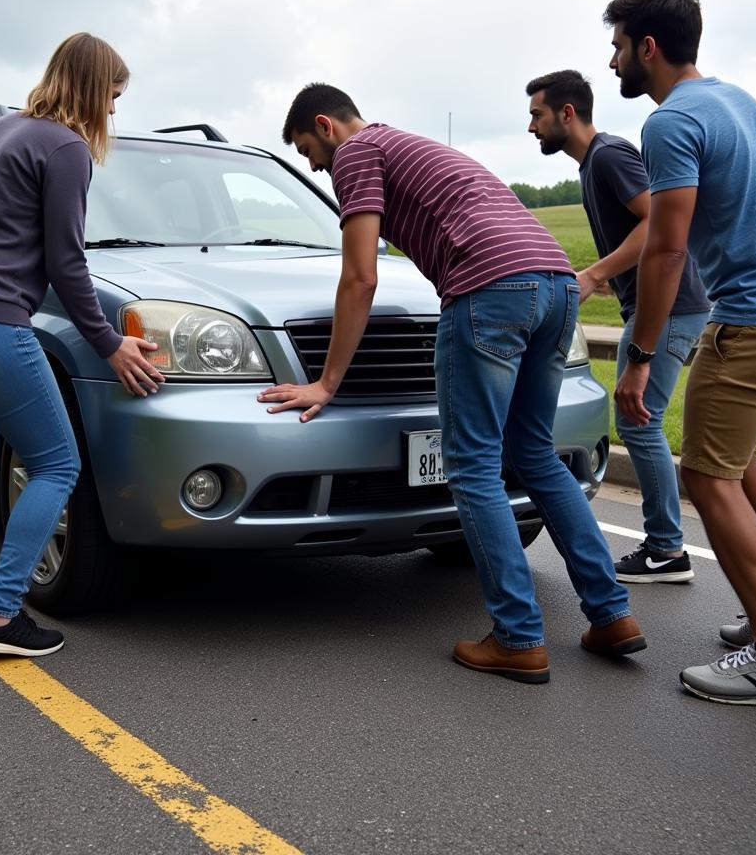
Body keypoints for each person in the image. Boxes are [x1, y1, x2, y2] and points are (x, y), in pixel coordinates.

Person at [261, 83, 644, 684]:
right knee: (536, 455)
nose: (314, 164)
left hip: (491, 290)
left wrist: (327, 382)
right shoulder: (411, 145)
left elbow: (360, 277)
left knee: (471, 466)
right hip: (557, 286)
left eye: (309, 149)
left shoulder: (357, 153)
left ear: (326, 126)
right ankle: (611, 613)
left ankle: (518, 637)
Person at [0, 33, 164, 659]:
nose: (115, 112)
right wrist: (109, 345)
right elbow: (67, 262)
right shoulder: (68, 148)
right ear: (94, 90)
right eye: (115, 97)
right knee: (56, 463)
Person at [606, 0, 756, 705]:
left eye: (616, 46)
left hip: (747, 319)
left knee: (706, 475)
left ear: (648, 46)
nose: (612, 63)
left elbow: (667, 252)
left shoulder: (671, 123)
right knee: (746, 462)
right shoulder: (741, 102)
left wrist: (637, 359)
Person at [526, 70, 710, 582]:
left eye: (537, 114)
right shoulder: (593, 164)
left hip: (674, 305)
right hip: (664, 303)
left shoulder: (608, 154)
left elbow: (658, 221)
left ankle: (666, 549)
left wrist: (597, 270)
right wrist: (617, 270)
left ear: (567, 113)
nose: (531, 127)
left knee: (637, 417)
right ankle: (666, 546)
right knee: (637, 417)